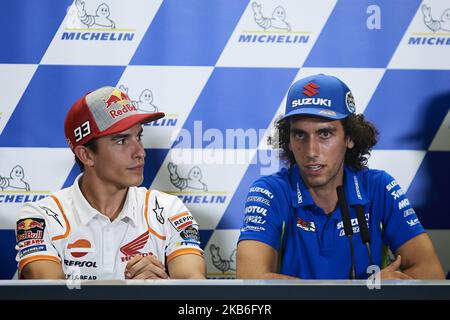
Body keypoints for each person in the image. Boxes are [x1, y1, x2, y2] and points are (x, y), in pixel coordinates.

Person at [236, 74, 445, 280]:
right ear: (288, 140)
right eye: (300, 135)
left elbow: (431, 273)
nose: (311, 151)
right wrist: (364, 293)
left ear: (350, 137)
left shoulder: (379, 187)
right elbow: (251, 281)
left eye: (325, 134)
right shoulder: (270, 191)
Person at [15, 86, 205, 280]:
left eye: (139, 136)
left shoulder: (168, 210)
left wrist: (159, 288)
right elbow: (49, 294)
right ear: (87, 155)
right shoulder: (40, 217)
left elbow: (194, 289)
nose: (140, 152)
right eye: (121, 141)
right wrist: (129, 292)